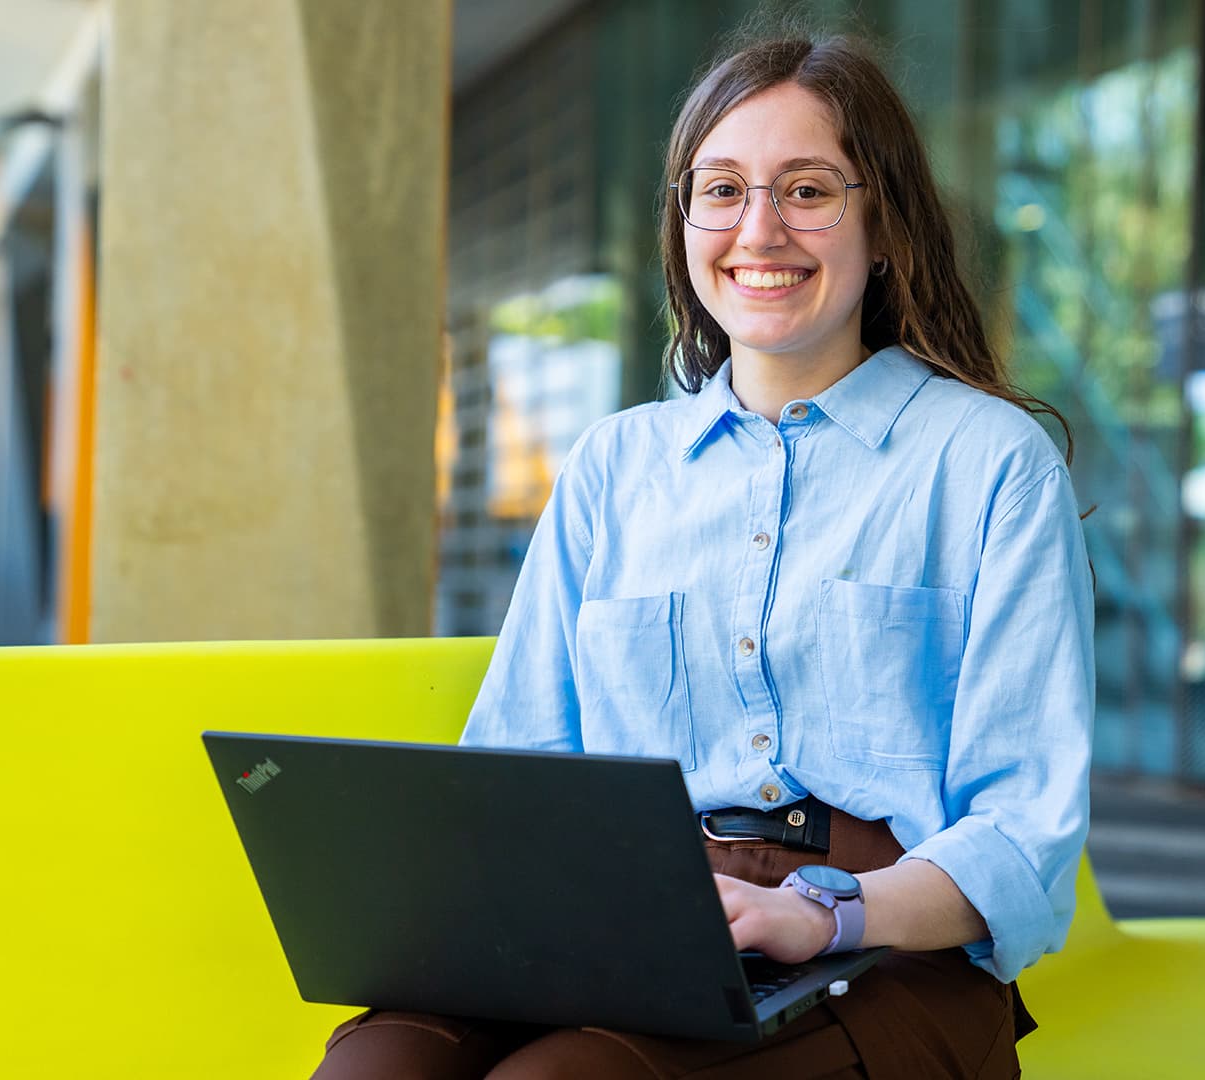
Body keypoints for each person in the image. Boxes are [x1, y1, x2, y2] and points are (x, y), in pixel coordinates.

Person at [315, 29, 1093, 1080]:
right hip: (633, 918)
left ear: (886, 225)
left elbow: (1022, 835)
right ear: (685, 222)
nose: (758, 229)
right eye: (721, 189)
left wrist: (822, 913)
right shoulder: (612, 467)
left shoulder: (992, 465)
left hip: (890, 949)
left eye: (808, 190)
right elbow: (529, 762)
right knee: (377, 1069)